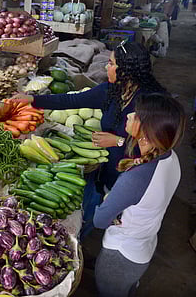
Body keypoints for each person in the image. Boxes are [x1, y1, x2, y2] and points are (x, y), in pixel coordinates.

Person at [12, 42, 166, 238]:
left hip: (132, 172)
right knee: (103, 204)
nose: (106, 67)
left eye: (111, 64)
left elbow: (156, 145)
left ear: (126, 69)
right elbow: (72, 100)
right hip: (108, 166)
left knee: (122, 220)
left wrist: (118, 141)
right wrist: (33, 100)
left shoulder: (150, 102)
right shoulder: (111, 91)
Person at [93, 93, 186, 297]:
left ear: (147, 131)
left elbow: (99, 220)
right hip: (143, 248)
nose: (129, 115)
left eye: (136, 115)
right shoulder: (171, 158)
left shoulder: (135, 179)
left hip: (120, 256)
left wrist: (108, 202)